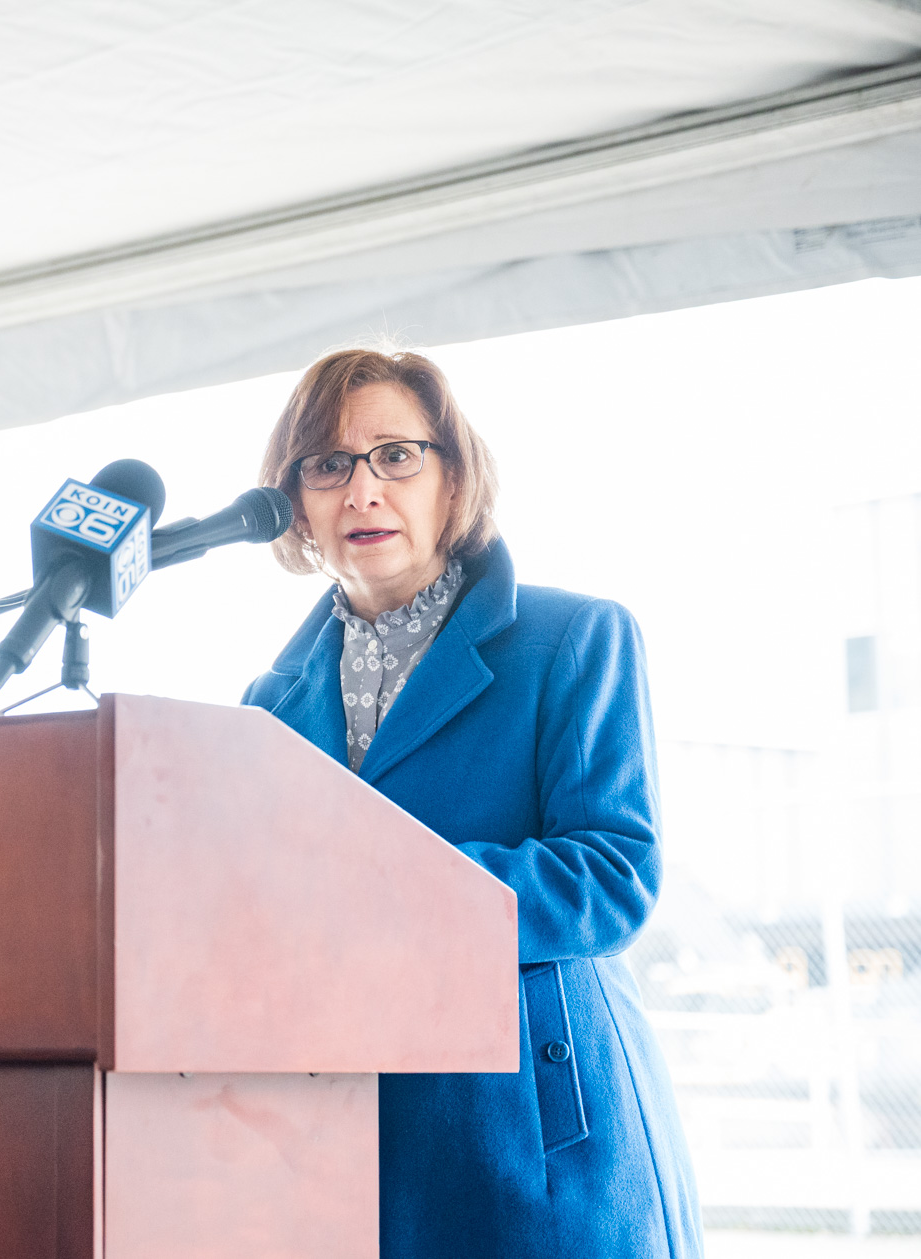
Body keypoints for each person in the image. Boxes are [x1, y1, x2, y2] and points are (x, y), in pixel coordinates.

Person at [242, 348, 700, 1257]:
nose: (363, 489)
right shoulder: (265, 705)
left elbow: (612, 875)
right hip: (345, 1139)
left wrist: (376, 895)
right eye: (329, 464)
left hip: (535, 1130)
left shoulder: (574, 639)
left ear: (454, 478)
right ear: (296, 500)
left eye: (397, 455)